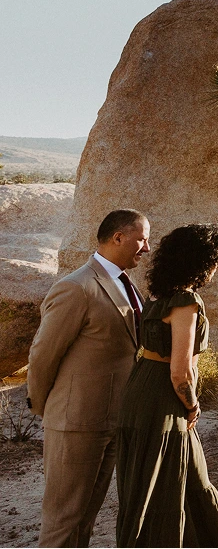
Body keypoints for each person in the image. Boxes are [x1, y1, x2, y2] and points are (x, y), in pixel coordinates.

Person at [27, 210, 150, 547]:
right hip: (75, 423)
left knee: (86, 519)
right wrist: (46, 408)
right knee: (63, 522)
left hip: (112, 420)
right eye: (142, 239)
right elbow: (43, 355)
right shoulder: (76, 287)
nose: (147, 248)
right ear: (118, 238)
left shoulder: (127, 284)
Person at [115, 223, 218, 547]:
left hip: (139, 390)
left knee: (179, 481)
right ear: (199, 261)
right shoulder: (186, 301)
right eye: (215, 261)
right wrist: (193, 404)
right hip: (162, 402)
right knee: (164, 492)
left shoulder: (157, 296)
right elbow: (180, 371)